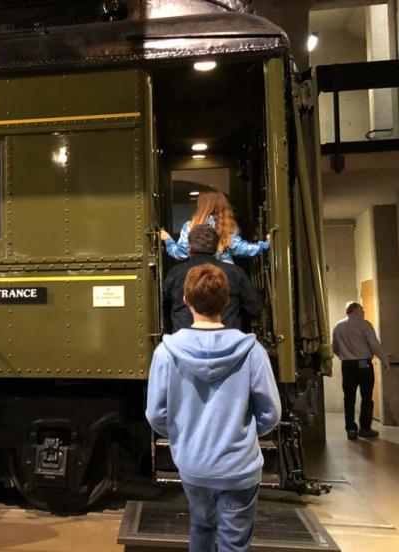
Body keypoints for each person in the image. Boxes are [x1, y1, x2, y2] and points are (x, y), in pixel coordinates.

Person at [146, 264, 281, 552]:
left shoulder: (166, 353)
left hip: (194, 465)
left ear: (186, 300)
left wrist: (184, 434)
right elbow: (271, 414)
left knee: (201, 527)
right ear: (227, 300)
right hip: (239, 468)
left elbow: (156, 414)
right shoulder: (252, 352)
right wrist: (241, 435)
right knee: (235, 543)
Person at [163, 225, 263, 332]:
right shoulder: (236, 273)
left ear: (190, 247)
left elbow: (164, 308)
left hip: (182, 343)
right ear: (216, 247)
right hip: (228, 342)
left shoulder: (175, 274)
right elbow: (255, 308)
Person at [159, 190, 269, 264]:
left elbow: (180, 253)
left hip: (200, 276)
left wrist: (167, 239)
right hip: (225, 275)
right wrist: (265, 245)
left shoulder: (190, 226)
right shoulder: (226, 225)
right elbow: (240, 248)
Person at [332, 302, 389, 440]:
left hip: (347, 365)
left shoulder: (338, 326)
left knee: (349, 397)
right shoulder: (365, 325)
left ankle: (351, 428)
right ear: (355, 310)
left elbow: (335, 347)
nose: (363, 311)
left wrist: (344, 357)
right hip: (363, 363)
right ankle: (365, 427)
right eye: (362, 309)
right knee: (367, 395)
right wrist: (385, 361)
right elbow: (374, 345)